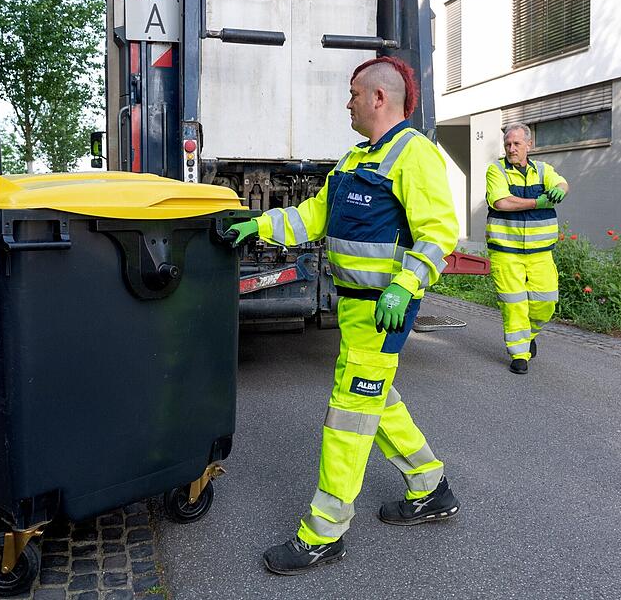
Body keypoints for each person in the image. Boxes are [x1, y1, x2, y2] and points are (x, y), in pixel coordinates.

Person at [226, 57, 461, 576]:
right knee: (377, 400)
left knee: (349, 417)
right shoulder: (355, 159)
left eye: (354, 93)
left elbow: (439, 233)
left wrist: (405, 285)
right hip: (355, 311)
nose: (347, 102)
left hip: (383, 312)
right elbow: (314, 215)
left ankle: (323, 534)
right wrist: (258, 225)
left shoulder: (414, 153)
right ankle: (430, 487)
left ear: (380, 97)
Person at [484, 123, 569, 375]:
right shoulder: (496, 170)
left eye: (516, 144)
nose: (511, 149)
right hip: (505, 251)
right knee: (514, 303)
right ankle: (519, 354)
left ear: (529, 145)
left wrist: (560, 190)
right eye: (508, 144)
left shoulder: (543, 170)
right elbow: (501, 202)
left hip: (540, 252)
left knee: (546, 302)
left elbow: (562, 184)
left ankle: (529, 335)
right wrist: (537, 202)